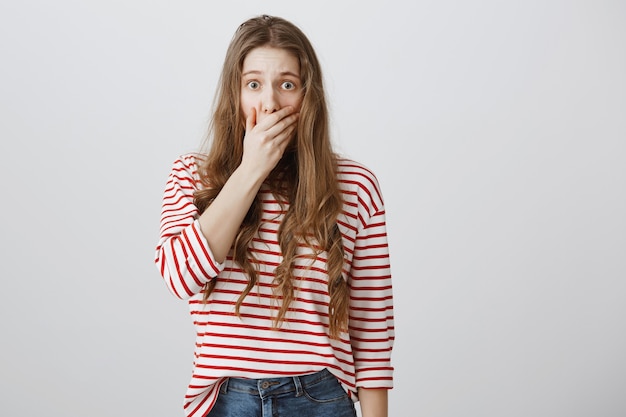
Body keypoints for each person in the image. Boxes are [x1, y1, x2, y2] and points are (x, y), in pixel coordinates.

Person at [155, 14, 395, 417]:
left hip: (321, 398)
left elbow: (371, 327)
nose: (269, 102)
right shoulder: (192, 175)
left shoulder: (355, 185)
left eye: (287, 85)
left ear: (308, 96)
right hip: (225, 400)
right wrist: (250, 170)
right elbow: (179, 278)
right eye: (254, 84)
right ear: (235, 94)